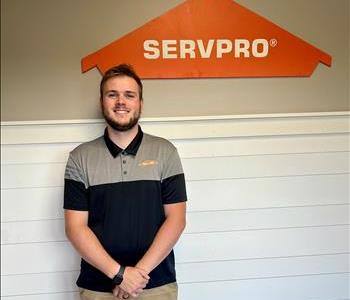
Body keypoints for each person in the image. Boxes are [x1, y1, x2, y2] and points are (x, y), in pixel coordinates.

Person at [64, 64, 187, 300]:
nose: (121, 102)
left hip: (156, 284)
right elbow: (75, 227)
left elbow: (176, 219)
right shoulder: (80, 157)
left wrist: (136, 275)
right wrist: (119, 274)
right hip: (98, 287)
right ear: (102, 102)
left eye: (129, 95)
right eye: (113, 95)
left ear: (140, 103)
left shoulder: (166, 152)